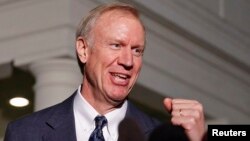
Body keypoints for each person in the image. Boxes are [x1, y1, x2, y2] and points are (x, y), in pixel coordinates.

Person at [4, 2, 207, 141]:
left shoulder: (157, 136)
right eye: (116, 45)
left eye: (137, 50)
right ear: (84, 50)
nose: (128, 61)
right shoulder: (26, 133)